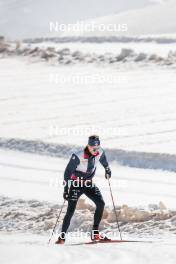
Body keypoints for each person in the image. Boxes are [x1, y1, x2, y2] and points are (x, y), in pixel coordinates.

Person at [55, 135, 111, 244]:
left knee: (101, 203)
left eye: (98, 147)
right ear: (88, 146)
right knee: (71, 210)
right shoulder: (78, 155)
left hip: (88, 183)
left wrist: (107, 169)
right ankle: (62, 237)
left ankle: (95, 234)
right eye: (93, 148)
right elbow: (67, 173)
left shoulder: (99, 151)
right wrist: (66, 189)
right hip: (76, 184)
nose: (96, 150)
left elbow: (103, 159)